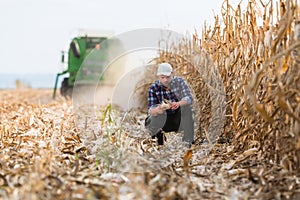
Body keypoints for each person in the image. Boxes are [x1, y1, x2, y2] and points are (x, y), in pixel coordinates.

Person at [145, 62, 194, 146]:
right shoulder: (153, 88)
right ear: (158, 76)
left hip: (178, 119)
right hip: (164, 119)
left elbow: (189, 98)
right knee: (149, 121)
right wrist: (157, 110)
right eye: (162, 77)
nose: (165, 80)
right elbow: (151, 109)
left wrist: (178, 103)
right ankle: (158, 141)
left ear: (172, 74)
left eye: (168, 77)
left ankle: (188, 140)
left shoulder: (180, 82)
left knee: (186, 108)